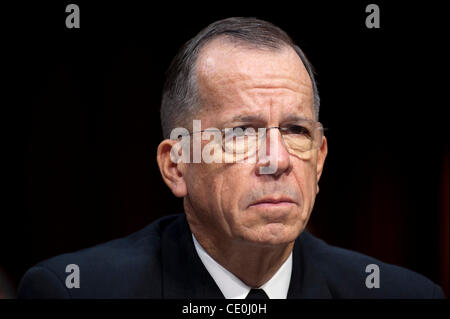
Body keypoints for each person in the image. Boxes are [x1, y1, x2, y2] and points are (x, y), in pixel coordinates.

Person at [18, 17, 444, 299]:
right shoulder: (77, 291)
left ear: (319, 160)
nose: (277, 160)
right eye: (242, 133)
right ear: (176, 164)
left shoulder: (402, 294)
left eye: (296, 131)